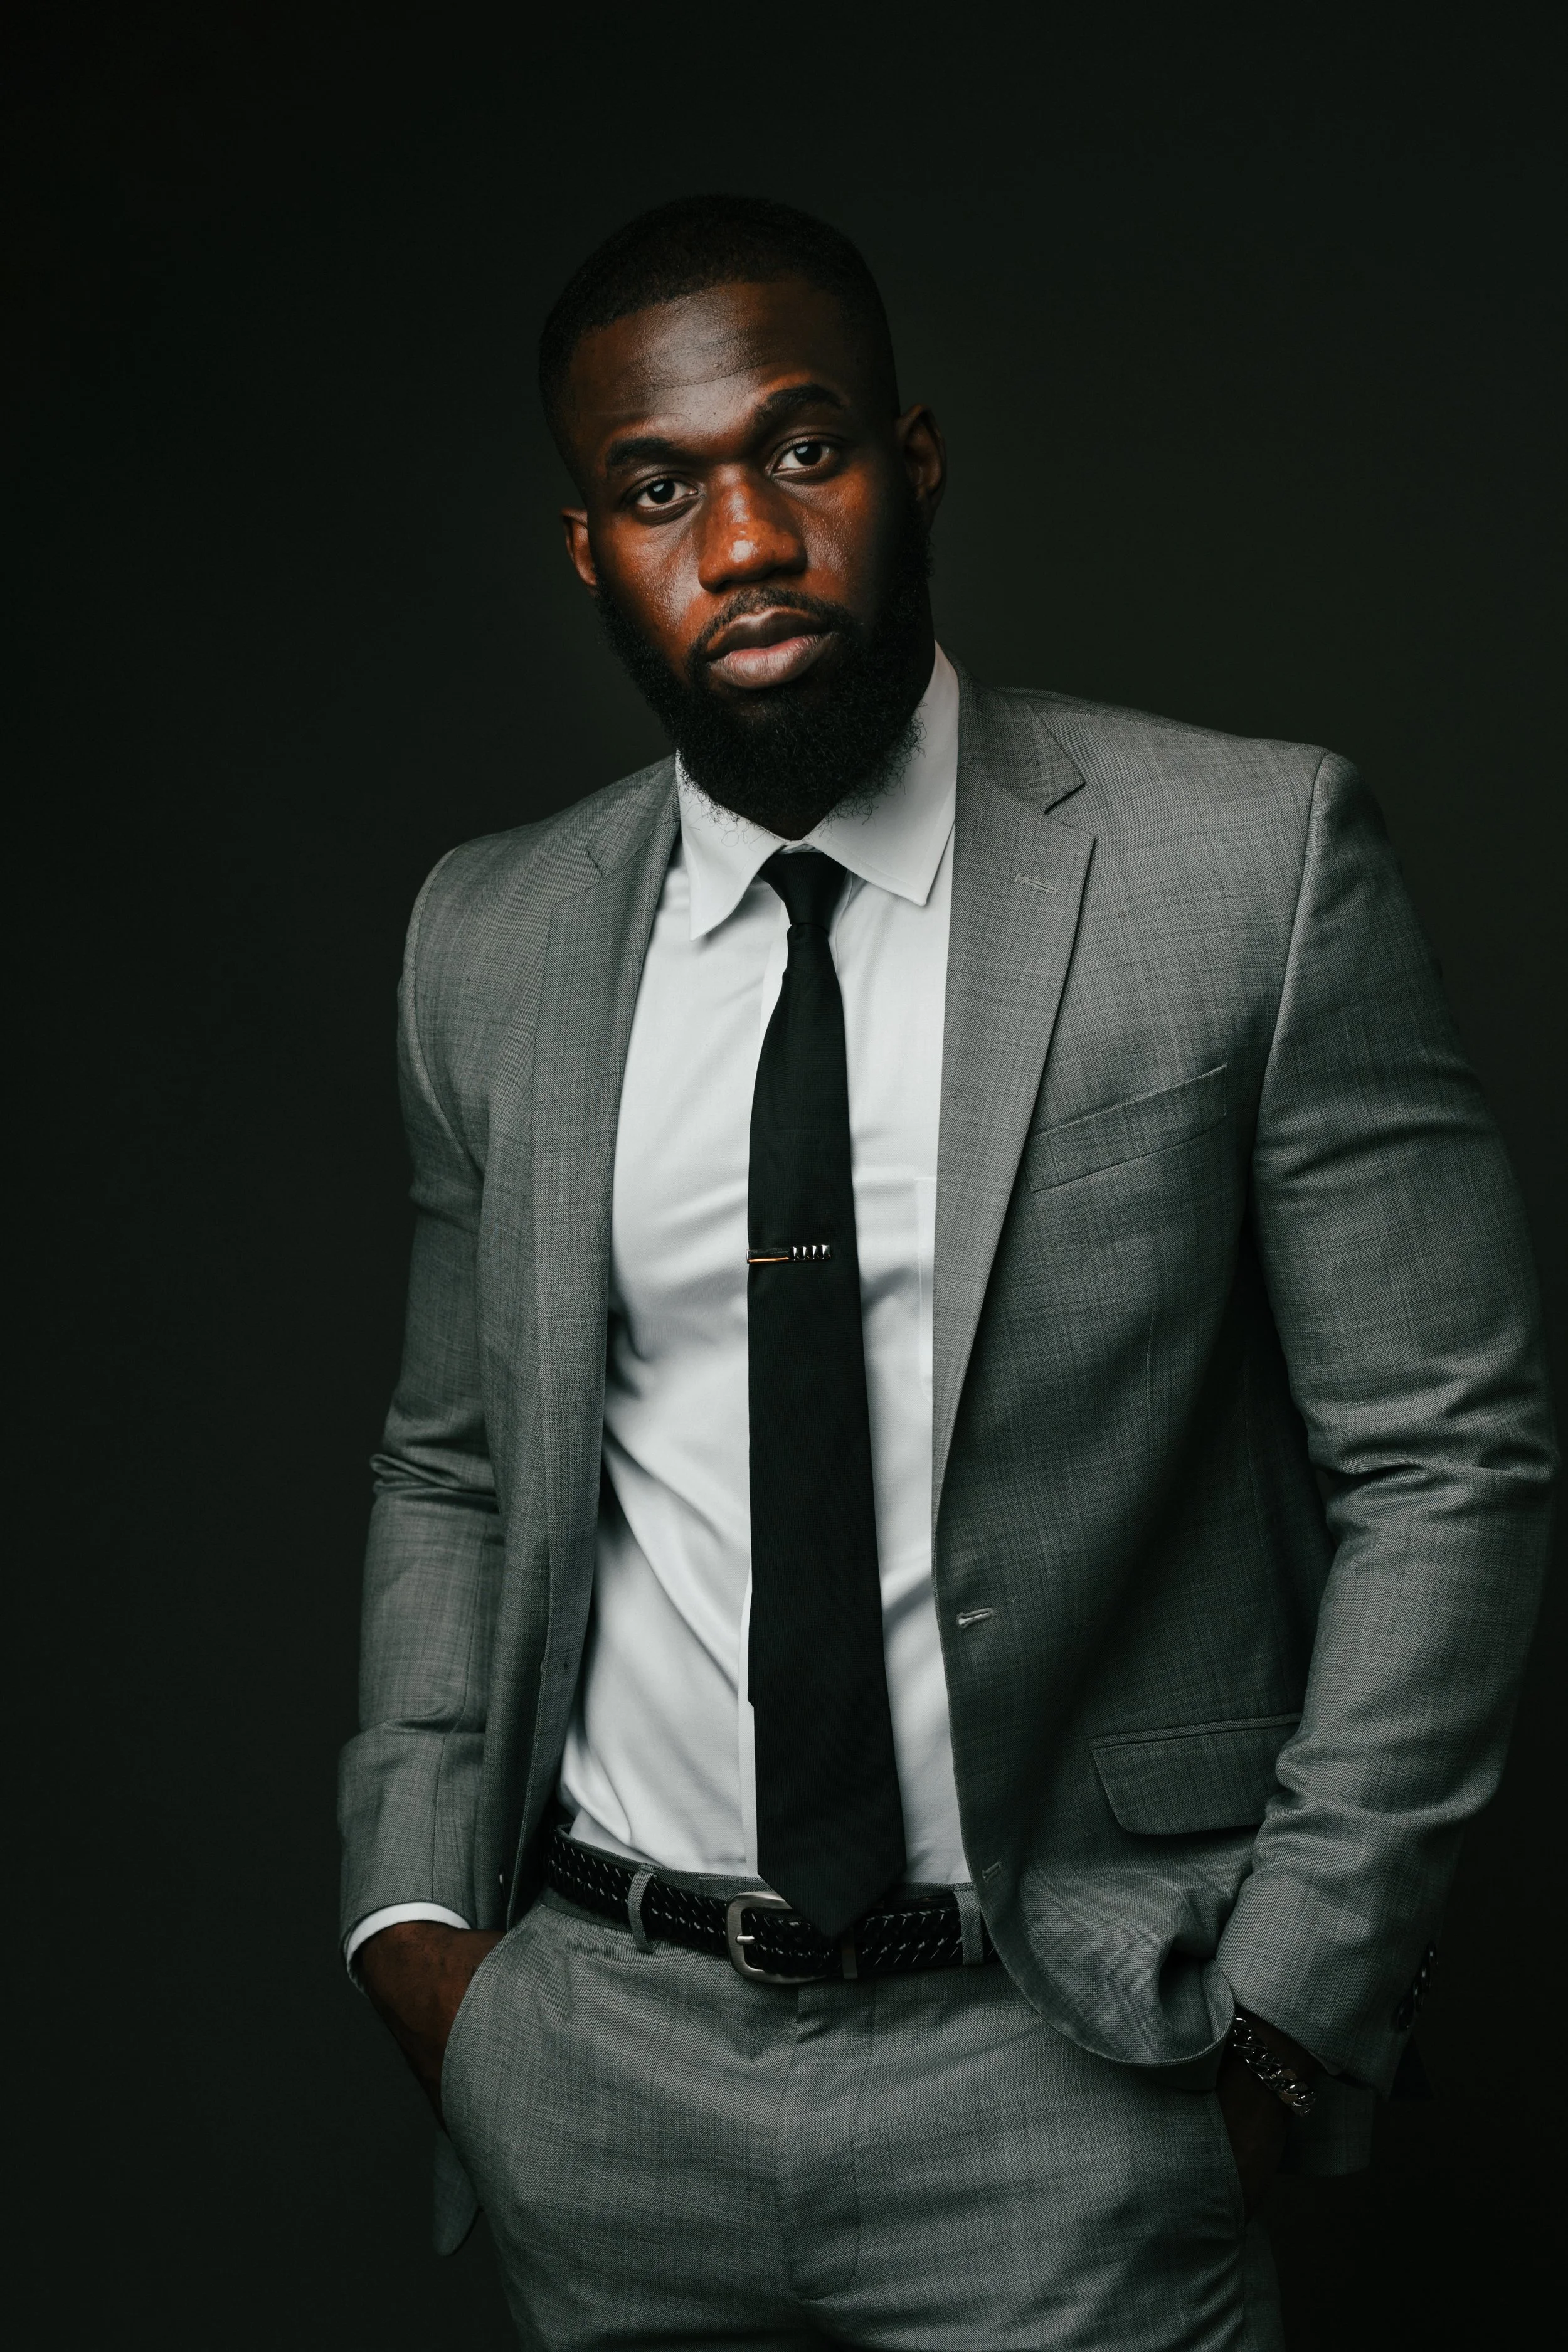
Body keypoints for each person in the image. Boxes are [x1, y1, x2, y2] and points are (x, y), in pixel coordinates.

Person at [339, 195, 1555, 2351]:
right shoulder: (488, 936)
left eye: (798, 450)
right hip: (601, 2062)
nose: (743, 540)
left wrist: (1290, 2010)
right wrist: (417, 1923)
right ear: (589, 551)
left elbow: (1447, 1454)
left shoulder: (1243, 867)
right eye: (658, 489)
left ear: (908, 462)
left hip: (1066, 2065)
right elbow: (453, 1456)